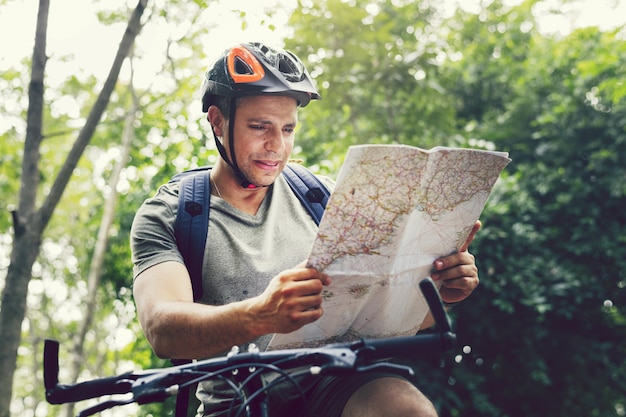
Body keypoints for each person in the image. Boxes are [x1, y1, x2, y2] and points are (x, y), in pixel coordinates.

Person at [130, 42, 481, 417]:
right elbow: (162, 328)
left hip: (334, 384)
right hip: (237, 403)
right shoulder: (169, 215)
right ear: (217, 121)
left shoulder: (323, 197)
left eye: (287, 128)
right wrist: (259, 314)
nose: (276, 146)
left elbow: (383, 320)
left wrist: (440, 291)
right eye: (259, 126)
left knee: (406, 409)